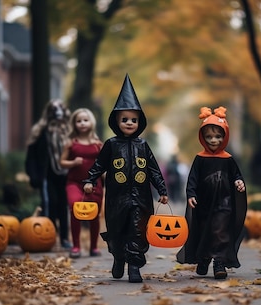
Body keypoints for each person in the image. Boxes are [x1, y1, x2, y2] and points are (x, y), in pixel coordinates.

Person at [83, 74, 168, 283]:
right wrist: (90, 180)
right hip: (116, 198)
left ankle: (134, 267)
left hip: (141, 197)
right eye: (125, 119)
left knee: (137, 230)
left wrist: (162, 190)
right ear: (116, 121)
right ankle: (119, 257)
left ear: (139, 122)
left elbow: (153, 169)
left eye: (134, 120)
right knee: (118, 229)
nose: (129, 123)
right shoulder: (111, 145)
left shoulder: (143, 145)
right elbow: (99, 164)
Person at [176, 106, 247, 280]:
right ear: (203, 138)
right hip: (203, 204)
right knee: (204, 232)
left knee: (220, 232)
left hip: (224, 203)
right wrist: (191, 194)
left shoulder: (228, 159)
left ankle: (219, 262)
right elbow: (192, 178)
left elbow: (236, 175)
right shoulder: (200, 158)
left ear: (225, 136)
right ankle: (204, 259)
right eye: (209, 137)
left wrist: (238, 182)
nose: (214, 140)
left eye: (218, 136)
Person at [25, 99, 72, 249]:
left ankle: (64, 238)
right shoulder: (40, 131)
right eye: (54, 110)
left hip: (67, 175)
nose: (57, 113)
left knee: (64, 206)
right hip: (47, 175)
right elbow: (31, 157)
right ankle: (50, 236)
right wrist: (33, 176)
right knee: (50, 204)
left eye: (60, 109)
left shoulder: (69, 131)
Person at [60, 108, 103, 259]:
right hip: (74, 183)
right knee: (75, 208)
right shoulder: (71, 143)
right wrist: (73, 162)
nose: (82, 123)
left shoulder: (99, 145)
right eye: (79, 121)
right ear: (74, 124)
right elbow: (62, 162)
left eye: (85, 120)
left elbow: (104, 165)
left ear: (91, 122)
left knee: (94, 215)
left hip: (95, 184)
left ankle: (94, 247)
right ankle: (76, 246)